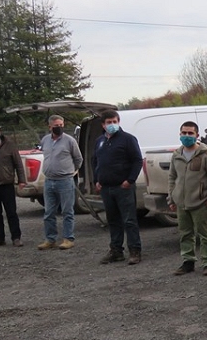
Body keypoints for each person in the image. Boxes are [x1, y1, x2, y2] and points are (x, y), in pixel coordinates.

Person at [168, 121, 207, 276]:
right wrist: (171, 199)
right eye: (184, 133)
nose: (187, 136)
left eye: (190, 133)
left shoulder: (206, 153)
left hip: (200, 202)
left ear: (197, 136)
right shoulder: (177, 155)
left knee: (204, 233)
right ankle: (188, 262)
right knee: (185, 233)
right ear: (179, 134)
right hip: (182, 203)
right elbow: (172, 178)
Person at [93, 110, 143, 265]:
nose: (112, 125)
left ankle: (135, 250)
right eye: (109, 122)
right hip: (106, 188)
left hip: (123, 187)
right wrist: (97, 180)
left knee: (129, 220)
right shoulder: (100, 141)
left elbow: (137, 160)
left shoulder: (127, 139)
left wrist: (130, 180)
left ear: (119, 122)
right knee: (113, 220)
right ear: (103, 124)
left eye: (115, 121)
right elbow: (95, 161)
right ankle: (116, 250)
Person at [37, 115, 83, 251]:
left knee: (67, 211)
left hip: (65, 181)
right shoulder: (45, 140)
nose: (59, 127)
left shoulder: (70, 141)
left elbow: (78, 159)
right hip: (49, 181)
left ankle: (68, 239)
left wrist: (71, 172)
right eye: (56, 125)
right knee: (49, 212)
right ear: (50, 127)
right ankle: (50, 239)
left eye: (61, 125)